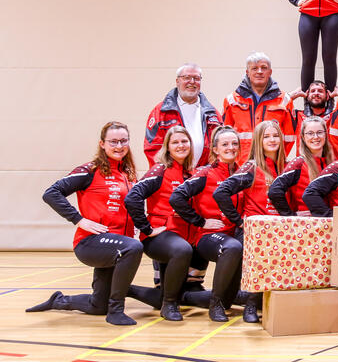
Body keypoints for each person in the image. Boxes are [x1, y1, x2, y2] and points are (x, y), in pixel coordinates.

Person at [28, 121, 142, 326]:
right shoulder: (90, 170)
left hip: (117, 245)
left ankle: (60, 301)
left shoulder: (128, 172)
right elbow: (51, 193)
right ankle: (116, 310)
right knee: (133, 248)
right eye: (113, 141)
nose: (119, 146)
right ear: (102, 144)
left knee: (98, 305)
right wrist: (78, 220)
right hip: (92, 243)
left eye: (123, 140)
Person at [213, 120, 286, 323]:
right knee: (262, 252)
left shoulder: (286, 166)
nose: (272, 140)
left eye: (275, 135)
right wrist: (240, 222)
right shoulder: (252, 167)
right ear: (258, 141)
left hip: (279, 231)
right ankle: (251, 306)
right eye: (266, 136)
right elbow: (221, 193)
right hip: (254, 232)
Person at [169, 126, 244, 322]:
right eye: (225, 144)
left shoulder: (243, 174)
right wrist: (200, 221)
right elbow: (177, 197)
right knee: (233, 247)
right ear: (215, 149)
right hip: (208, 237)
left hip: (231, 235)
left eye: (234, 144)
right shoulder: (205, 173)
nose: (231, 148)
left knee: (238, 245)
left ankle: (189, 297)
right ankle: (215, 304)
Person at [124, 126, 195, 321]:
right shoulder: (160, 169)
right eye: (175, 142)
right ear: (167, 147)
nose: (181, 145)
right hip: (160, 236)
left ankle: (127, 290)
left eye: (184, 141)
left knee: (169, 291)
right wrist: (146, 227)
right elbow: (132, 198)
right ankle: (169, 306)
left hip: (180, 235)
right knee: (182, 250)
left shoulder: (191, 173)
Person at [144, 63, 222, 168]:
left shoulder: (212, 114)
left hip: (204, 177)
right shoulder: (161, 112)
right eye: (187, 78)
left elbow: (221, 147)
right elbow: (152, 148)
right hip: (172, 179)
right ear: (177, 81)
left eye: (196, 78)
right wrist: (170, 174)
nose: (192, 82)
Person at [222, 52, 295, 163]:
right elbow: (224, 136)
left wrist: (275, 160)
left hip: (271, 166)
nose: (259, 72)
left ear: (270, 72)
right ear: (247, 72)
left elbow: (289, 138)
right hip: (240, 166)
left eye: (264, 68)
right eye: (254, 68)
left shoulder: (284, 100)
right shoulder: (232, 100)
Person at [268, 116, 334, 215]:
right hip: (308, 226)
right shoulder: (299, 164)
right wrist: (291, 215)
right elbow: (275, 191)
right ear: (303, 137)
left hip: (332, 223)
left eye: (319, 132)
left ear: (325, 135)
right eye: (310, 133)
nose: (316, 137)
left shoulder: (332, 163)